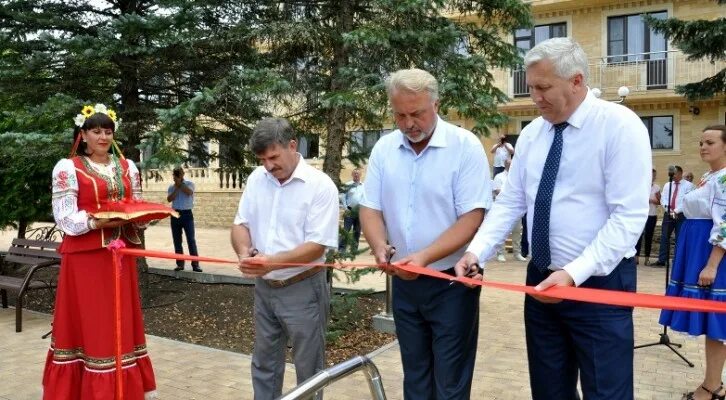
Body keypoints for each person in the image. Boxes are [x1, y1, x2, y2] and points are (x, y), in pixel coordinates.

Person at [455, 38, 651, 399]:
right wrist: (477, 252)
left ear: (576, 81)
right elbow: (512, 200)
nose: (535, 98)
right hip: (541, 283)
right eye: (531, 88)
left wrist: (573, 273)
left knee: (606, 392)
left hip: (598, 284)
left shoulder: (619, 127)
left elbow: (628, 217)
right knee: (549, 392)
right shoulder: (532, 133)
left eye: (543, 87)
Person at [359, 68, 491, 399]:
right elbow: (370, 208)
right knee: (415, 378)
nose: (407, 123)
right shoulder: (384, 149)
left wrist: (424, 257)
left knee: (450, 383)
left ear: (436, 104)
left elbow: (472, 217)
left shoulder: (464, 146)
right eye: (399, 114)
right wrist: (378, 246)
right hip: (405, 284)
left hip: (451, 284)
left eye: (416, 113)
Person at [43, 104, 157, 399]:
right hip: (86, 258)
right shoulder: (68, 168)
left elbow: (136, 205)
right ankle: (86, 388)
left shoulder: (127, 166)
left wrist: (146, 216)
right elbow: (65, 217)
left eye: (108, 131)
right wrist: (96, 220)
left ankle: (122, 386)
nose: (103, 137)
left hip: (120, 257)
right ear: (83, 135)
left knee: (119, 320)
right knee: (92, 321)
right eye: (96, 131)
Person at [231, 117, 338, 400]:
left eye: (273, 157)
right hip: (265, 289)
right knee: (264, 363)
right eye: (262, 159)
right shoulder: (257, 179)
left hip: (303, 288)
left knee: (309, 368)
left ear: (293, 146)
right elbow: (241, 225)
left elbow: (317, 246)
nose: (268, 165)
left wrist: (271, 262)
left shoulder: (320, 185)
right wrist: (244, 253)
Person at [659, 125, 726, 400]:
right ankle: (713, 384)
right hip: (696, 248)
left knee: (718, 324)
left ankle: (712, 387)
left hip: (711, 255)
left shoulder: (723, 179)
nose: (702, 146)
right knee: (714, 326)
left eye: (710, 142)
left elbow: (724, 225)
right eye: (700, 142)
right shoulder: (711, 176)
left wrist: (711, 265)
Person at [653, 165, 695, 266]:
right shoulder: (668, 185)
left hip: (681, 215)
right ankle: (662, 260)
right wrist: (669, 209)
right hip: (668, 214)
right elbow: (663, 198)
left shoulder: (689, 185)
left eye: (675, 173)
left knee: (679, 238)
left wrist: (675, 211)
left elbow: (686, 200)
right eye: (671, 173)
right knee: (664, 237)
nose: (673, 175)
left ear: (680, 173)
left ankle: (677, 261)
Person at [167, 167, 202, 272]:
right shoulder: (171, 187)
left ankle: (195, 265)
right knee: (177, 241)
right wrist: (177, 187)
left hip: (187, 215)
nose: (176, 177)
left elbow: (189, 192)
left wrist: (181, 184)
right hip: (175, 214)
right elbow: (169, 199)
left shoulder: (189, 184)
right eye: (175, 174)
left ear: (182, 174)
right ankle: (180, 264)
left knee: (191, 240)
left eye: (178, 174)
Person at [492, 159, 527, 262]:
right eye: (511, 165)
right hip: (503, 209)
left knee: (517, 232)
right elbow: (497, 191)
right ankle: (500, 253)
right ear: (506, 165)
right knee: (502, 232)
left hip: (516, 208)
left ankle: (517, 253)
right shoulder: (499, 177)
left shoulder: (518, 178)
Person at [635, 168, 661, 265]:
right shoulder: (640, 186)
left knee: (649, 236)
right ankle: (636, 257)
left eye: (654, 175)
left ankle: (647, 258)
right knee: (638, 236)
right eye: (651, 175)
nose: (653, 177)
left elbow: (659, 202)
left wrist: (652, 200)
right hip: (640, 215)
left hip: (651, 214)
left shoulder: (656, 187)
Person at [338, 168, 364, 253]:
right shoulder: (347, 185)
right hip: (349, 211)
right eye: (355, 173)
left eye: (358, 173)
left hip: (359, 212)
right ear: (352, 175)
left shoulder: (363, 186)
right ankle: (341, 249)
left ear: (360, 175)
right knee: (346, 230)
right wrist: (345, 208)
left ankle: (354, 249)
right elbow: (342, 197)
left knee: (357, 231)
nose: (356, 175)